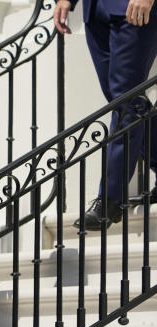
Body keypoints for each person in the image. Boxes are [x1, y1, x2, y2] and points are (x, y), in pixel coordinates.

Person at [53, 0, 157, 230]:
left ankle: (110, 200)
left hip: (134, 7)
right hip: (95, 9)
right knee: (125, 102)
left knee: (126, 102)